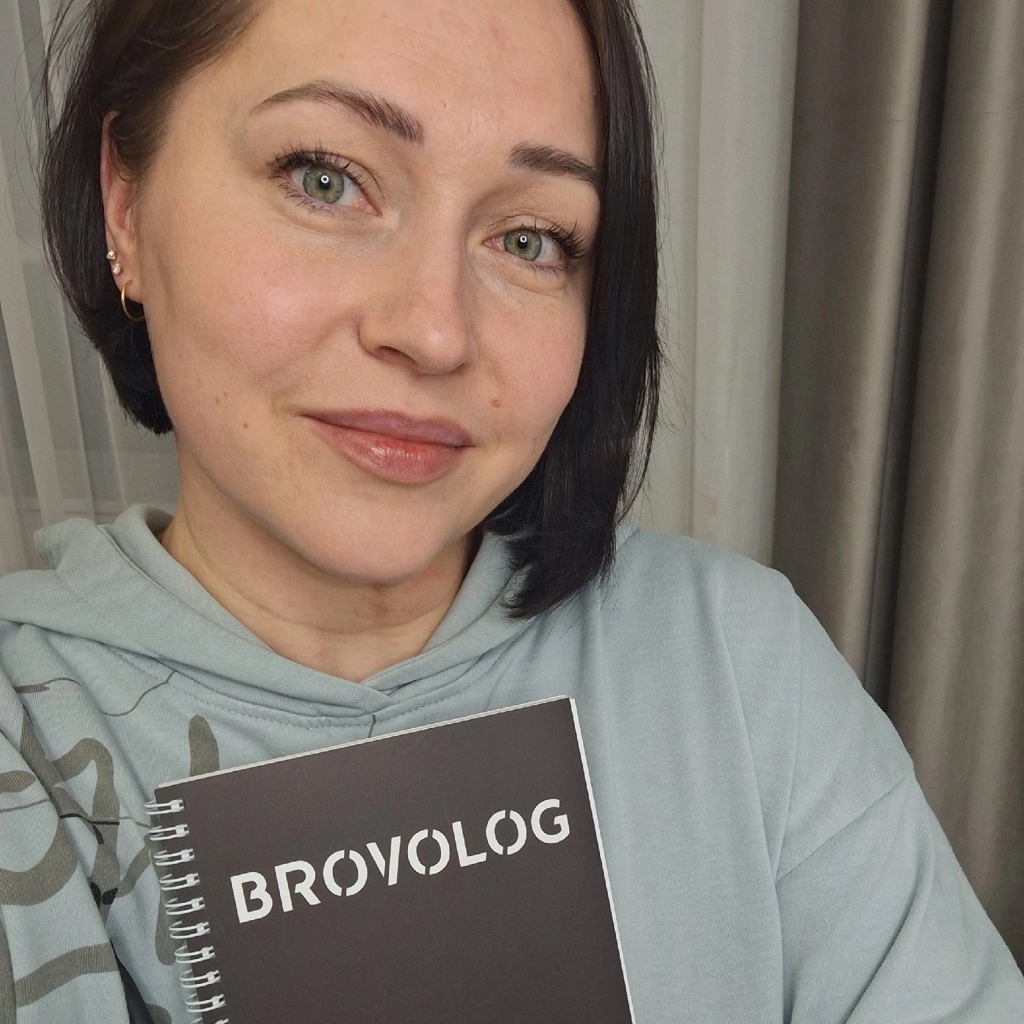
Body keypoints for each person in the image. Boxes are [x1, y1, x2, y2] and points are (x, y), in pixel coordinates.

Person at [0, 0, 1022, 1020]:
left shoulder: (737, 662)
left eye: (530, 239)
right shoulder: (26, 741)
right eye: (325, 178)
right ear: (123, 202)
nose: (435, 330)